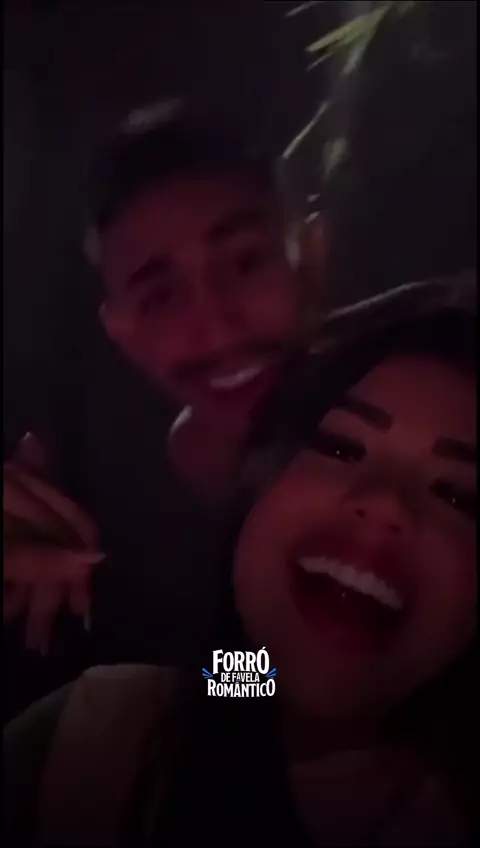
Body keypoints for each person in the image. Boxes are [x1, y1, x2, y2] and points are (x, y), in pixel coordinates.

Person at [4, 300, 476, 846]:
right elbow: (233, 686)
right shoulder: (97, 737)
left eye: (457, 494)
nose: (387, 503)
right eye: (342, 447)